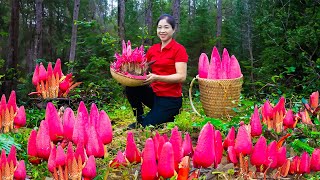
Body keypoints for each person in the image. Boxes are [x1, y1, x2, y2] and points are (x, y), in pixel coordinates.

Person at [126, 14, 188, 129]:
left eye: (166, 27)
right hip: (155, 95)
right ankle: (139, 118)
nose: (162, 31)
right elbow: (142, 69)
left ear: (173, 30)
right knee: (130, 88)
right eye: (159, 27)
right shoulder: (153, 49)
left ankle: (166, 115)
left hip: (170, 99)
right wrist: (128, 69)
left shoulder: (179, 49)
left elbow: (181, 77)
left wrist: (157, 77)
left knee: (147, 126)